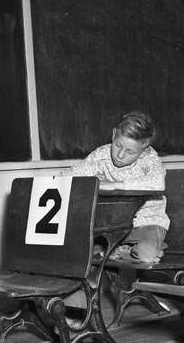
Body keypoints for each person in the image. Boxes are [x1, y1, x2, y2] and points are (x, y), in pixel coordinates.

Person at [62, 110, 169, 264]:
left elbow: (158, 183)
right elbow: (67, 176)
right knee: (78, 253)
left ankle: (123, 251)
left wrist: (112, 185)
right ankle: (121, 251)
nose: (120, 155)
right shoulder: (101, 155)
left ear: (144, 148)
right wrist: (90, 182)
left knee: (146, 256)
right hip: (111, 226)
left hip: (147, 224)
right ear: (113, 134)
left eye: (130, 151)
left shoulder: (149, 158)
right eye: (118, 145)